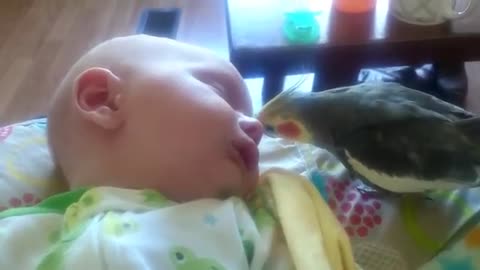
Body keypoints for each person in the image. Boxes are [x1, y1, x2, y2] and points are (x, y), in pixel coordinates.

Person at [0, 35, 356, 270]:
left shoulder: (256, 226)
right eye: (218, 92)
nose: (257, 128)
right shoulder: (21, 235)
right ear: (103, 101)